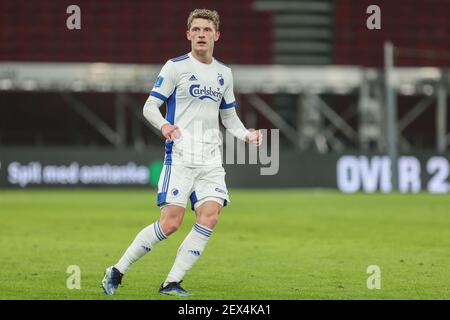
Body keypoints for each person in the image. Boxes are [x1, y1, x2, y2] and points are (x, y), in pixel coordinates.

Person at [101, 8, 262, 297]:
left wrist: (246, 135)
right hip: (181, 156)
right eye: (196, 30)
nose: (201, 34)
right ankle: (117, 270)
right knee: (171, 224)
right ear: (188, 35)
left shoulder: (224, 73)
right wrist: (164, 126)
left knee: (210, 216)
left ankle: (171, 283)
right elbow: (150, 106)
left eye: (207, 30)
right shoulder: (175, 67)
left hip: (211, 159)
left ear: (217, 35)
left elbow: (229, 117)